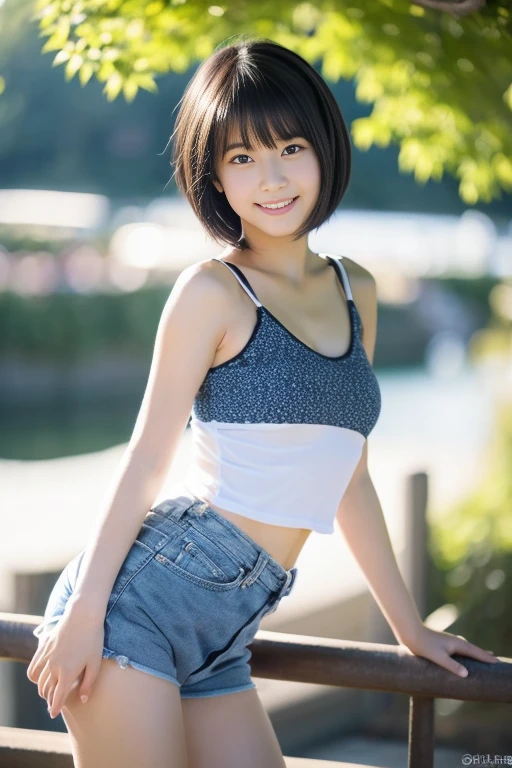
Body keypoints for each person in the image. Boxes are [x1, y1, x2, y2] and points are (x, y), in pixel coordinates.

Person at [26, 35, 498, 768]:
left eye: (289, 148)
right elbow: (148, 457)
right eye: (242, 158)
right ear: (214, 175)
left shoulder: (356, 289)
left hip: (231, 628)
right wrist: (86, 613)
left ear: (325, 151)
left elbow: (350, 474)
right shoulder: (212, 292)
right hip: (135, 609)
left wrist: (409, 629)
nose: (270, 178)